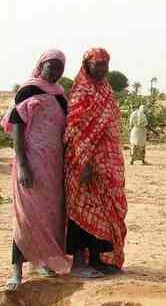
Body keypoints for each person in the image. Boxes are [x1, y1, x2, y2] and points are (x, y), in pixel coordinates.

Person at [1, 50, 73, 292]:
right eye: (51, 66)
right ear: (41, 65)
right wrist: (22, 165)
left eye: (59, 68)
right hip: (30, 162)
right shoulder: (28, 90)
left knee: (51, 217)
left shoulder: (61, 96)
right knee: (27, 218)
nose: (55, 72)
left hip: (53, 167)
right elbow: (17, 129)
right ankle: (16, 270)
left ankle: (42, 262)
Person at [64, 48, 128, 278]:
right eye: (98, 64)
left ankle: (99, 259)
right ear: (86, 65)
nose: (102, 69)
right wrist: (85, 162)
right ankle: (80, 262)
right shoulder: (81, 91)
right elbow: (76, 129)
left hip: (108, 162)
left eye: (105, 65)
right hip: (84, 161)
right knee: (83, 209)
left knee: (106, 209)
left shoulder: (106, 89)